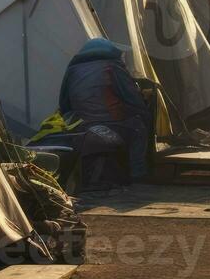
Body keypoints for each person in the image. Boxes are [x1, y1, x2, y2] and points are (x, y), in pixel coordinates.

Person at [58, 38, 152, 182]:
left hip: (83, 125)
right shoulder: (112, 67)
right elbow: (132, 97)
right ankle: (138, 174)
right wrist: (145, 114)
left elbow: (64, 104)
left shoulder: (72, 69)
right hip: (113, 124)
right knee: (139, 129)